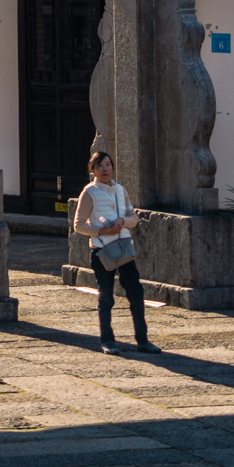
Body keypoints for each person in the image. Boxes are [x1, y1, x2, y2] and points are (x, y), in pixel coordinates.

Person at [72, 150, 160, 355]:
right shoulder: (89, 192)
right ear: (93, 169)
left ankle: (143, 341)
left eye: (108, 165)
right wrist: (101, 231)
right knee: (106, 297)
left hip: (123, 247)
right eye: (100, 166)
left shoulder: (121, 190)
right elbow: (78, 225)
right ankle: (108, 341)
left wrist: (122, 221)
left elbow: (134, 219)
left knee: (136, 294)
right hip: (102, 249)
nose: (105, 169)